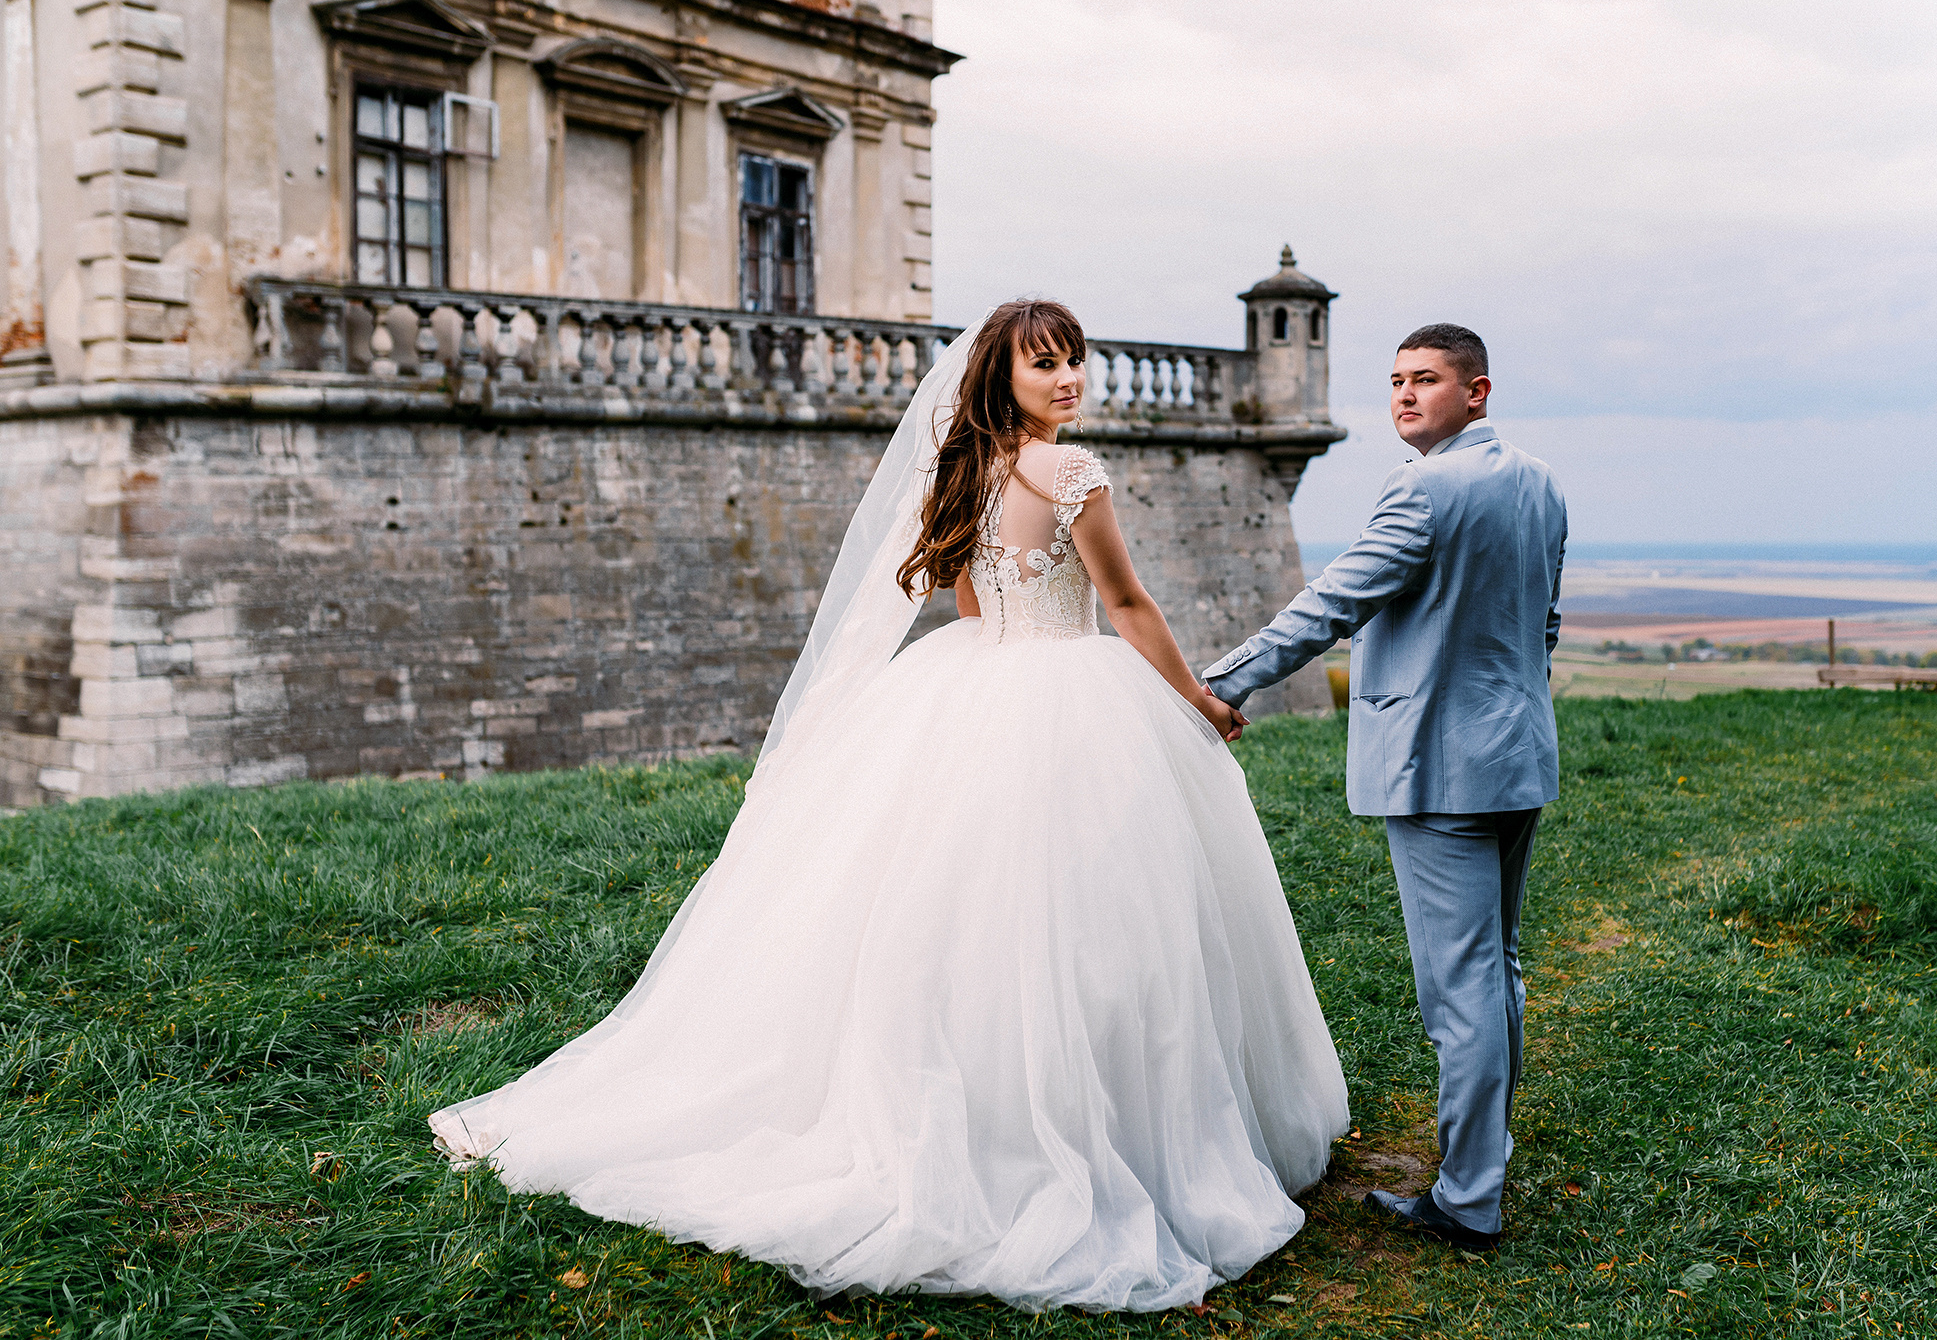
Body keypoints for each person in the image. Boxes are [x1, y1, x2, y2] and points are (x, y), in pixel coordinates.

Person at [429, 299, 1349, 1312]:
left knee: (953, 918)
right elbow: (1125, 605)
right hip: (1066, 691)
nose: (1068, 378)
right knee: (1087, 923)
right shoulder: (1070, 472)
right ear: (1003, 378)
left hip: (969, 682)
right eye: (1044, 365)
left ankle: (984, 1112)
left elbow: (965, 602)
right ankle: (1090, 1130)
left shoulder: (970, 473)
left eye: (1074, 359)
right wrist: (1201, 702)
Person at [1202, 323, 1566, 1253]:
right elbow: (1544, 623)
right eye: (1396, 382)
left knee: (1463, 989)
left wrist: (1217, 683)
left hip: (1441, 769)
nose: (1405, 397)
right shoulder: (1539, 482)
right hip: (1518, 756)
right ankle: (1480, 1167)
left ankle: (1468, 1196)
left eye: (1428, 381)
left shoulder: (1425, 488)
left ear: (1477, 391)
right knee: (1498, 971)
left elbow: (1331, 602)